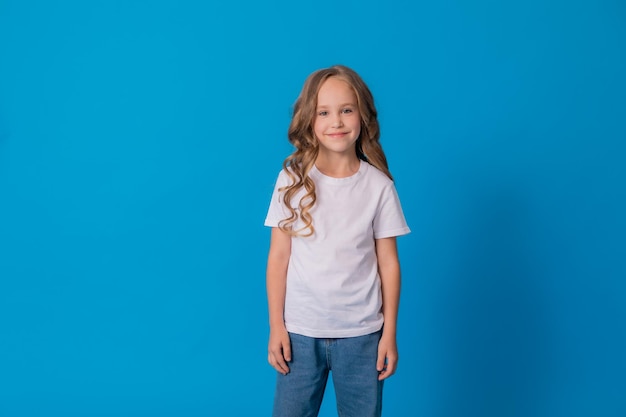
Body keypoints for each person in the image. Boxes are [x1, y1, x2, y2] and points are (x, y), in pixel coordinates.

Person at [264, 64, 410, 417]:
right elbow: (279, 257)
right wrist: (276, 327)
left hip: (362, 336)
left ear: (362, 116)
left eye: (347, 110)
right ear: (309, 120)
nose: (337, 122)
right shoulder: (292, 180)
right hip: (300, 333)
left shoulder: (379, 187)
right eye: (324, 112)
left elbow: (388, 263)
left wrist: (389, 332)